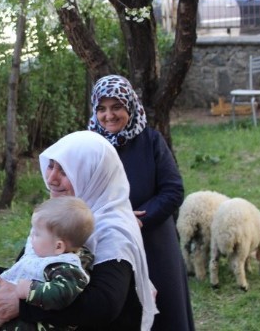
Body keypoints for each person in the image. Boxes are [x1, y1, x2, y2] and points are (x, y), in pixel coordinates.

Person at [0, 130, 157, 331]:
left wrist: (23, 306)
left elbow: (102, 305)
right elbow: (38, 273)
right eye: (51, 166)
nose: (51, 178)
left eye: (65, 171)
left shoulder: (112, 231)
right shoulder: (63, 216)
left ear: (92, 176)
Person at [88, 75, 195, 330]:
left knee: (165, 314)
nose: (109, 115)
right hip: (107, 243)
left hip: (153, 242)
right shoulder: (91, 146)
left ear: (130, 107)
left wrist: (140, 219)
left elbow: (173, 190)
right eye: (101, 108)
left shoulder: (151, 141)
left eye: (116, 107)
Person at [0, 196, 95, 331]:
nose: (31, 236)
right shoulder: (45, 253)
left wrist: (29, 289)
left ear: (58, 247)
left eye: (37, 234)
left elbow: (61, 294)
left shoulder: (67, 268)